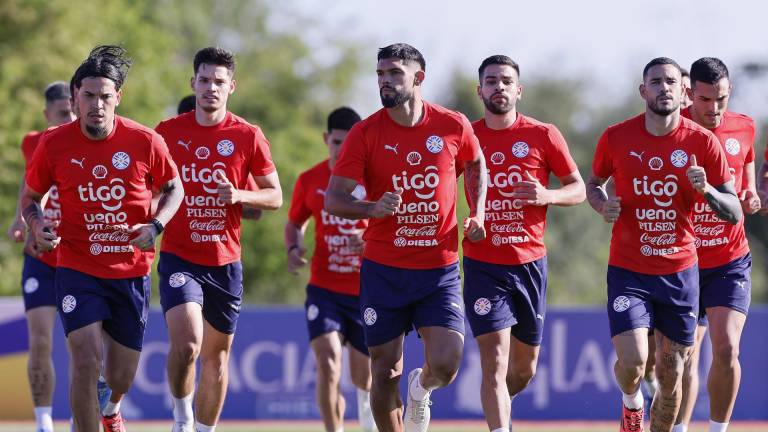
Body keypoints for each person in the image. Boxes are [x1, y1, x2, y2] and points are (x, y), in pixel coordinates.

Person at [21, 45, 184, 432]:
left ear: (118, 98)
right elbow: (30, 197)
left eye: (105, 97)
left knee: (120, 376)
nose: (97, 104)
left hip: (130, 272)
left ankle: (110, 409)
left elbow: (175, 188)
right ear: (76, 95)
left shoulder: (145, 141)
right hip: (77, 266)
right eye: (89, 96)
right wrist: (36, 224)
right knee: (84, 359)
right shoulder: (54, 143)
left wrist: (156, 225)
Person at [325, 43, 487, 432]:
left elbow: (476, 163)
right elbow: (334, 198)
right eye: (380, 74)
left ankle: (421, 387)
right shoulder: (365, 133)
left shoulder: (452, 124)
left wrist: (477, 211)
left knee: (447, 364)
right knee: (383, 371)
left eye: (394, 73)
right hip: (384, 270)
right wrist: (371, 209)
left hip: (439, 268)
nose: (385, 81)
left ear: (418, 78)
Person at [587, 57, 741, 432]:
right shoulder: (616, 136)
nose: (663, 87)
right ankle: (631, 402)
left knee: (671, 376)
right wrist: (603, 205)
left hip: (679, 274)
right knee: (634, 362)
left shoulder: (702, 142)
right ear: (644, 91)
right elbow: (593, 183)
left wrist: (705, 190)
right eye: (655, 82)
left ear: (684, 90)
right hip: (628, 270)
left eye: (671, 81)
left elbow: (734, 210)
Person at [155, 46, 282, 432]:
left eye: (219, 82)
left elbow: (275, 195)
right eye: (205, 80)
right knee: (188, 344)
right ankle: (182, 418)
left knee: (217, 358)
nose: (211, 88)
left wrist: (240, 196)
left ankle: (205, 429)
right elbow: (143, 189)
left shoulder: (247, 135)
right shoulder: (166, 133)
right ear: (193, 82)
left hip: (225, 262)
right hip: (180, 256)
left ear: (232, 87)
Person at [463, 55, 585, 432]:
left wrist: (546, 196)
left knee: (523, 370)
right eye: (490, 81)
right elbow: (435, 182)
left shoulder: (543, 134)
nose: (498, 87)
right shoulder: (466, 135)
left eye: (505, 81)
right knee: (494, 362)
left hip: (530, 264)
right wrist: (467, 220)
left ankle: (501, 409)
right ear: (479, 89)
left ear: (519, 89)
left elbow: (578, 189)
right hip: (483, 262)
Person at [672, 57, 759, 432]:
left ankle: (718, 429)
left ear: (729, 92)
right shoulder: (672, 131)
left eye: (720, 99)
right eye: (705, 100)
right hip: (682, 262)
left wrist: (752, 193)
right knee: (683, 358)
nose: (714, 108)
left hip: (729, 259)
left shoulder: (744, 127)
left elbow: (748, 166)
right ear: (690, 94)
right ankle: (677, 427)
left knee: (726, 349)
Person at [285, 107, 378, 432]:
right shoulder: (310, 180)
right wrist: (294, 248)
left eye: (349, 141)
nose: (342, 148)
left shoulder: (373, 178)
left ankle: (368, 419)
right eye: (337, 141)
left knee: (364, 377)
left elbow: (394, 229)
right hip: (324, 291)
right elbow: (295, 222)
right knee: (327, 361)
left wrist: (367, 243)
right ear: (327, 139)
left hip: (367, 292)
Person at [6, 82, 80, 432]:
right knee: (39, 339)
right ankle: (43, 422)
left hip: (79, 259)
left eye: (74, 111)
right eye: (64, 113)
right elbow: (30, 183)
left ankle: (84, 416)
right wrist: (19, 221)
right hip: (40, 257)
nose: (71, 118)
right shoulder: (34, 142)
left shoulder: (89, 140)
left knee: (83, 346)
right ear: (48, 113)